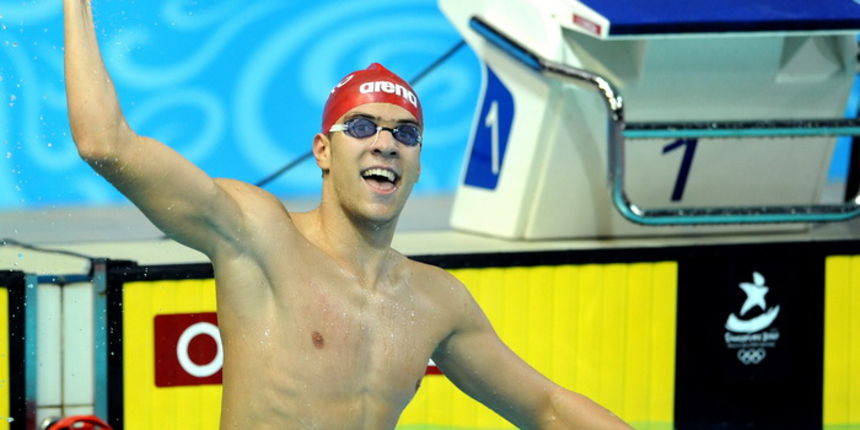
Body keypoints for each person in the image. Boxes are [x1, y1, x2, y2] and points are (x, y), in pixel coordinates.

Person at [64, 1, 634, 429]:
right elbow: (104, 143)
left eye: (404, 133)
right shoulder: (260, 238)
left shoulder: (435, 301)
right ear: (322, 151)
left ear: (415, 165)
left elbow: (547, 407)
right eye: (361, 127)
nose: (385, 143)